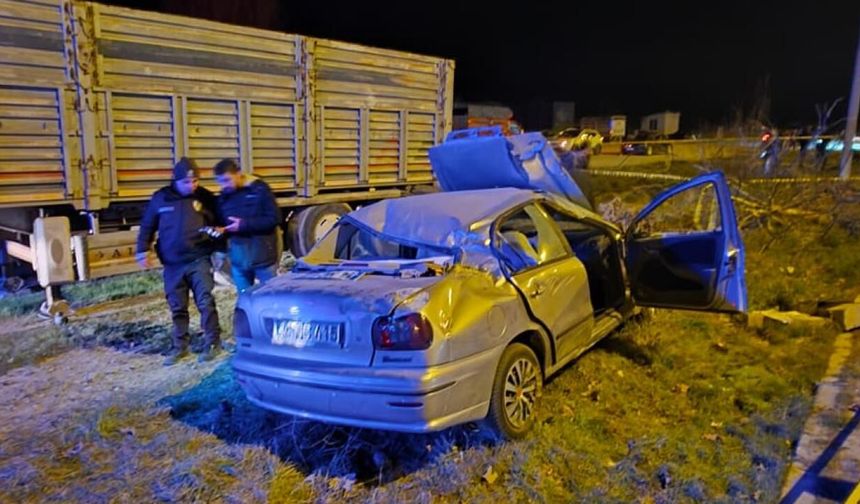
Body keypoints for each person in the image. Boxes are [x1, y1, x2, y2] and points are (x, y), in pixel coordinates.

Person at [136, 157, 223, 365]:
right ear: (175, 179)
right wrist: (142, 250)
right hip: (173, 264)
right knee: (177, 307)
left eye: (195, 181)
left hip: (198, 259)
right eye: (187, 182)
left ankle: (212, 342)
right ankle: (179, 346)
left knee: (205, 302)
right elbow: (147, 225)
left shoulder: (206, 198)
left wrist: (220, 251)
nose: (192, 186)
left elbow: (219, 226)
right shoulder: (161, 199)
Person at [213, 158, 281, 292]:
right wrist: (220, 230)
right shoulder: (224, 197)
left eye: (227, 180)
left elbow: (274, 219)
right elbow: (222, 222)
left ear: (238, 174)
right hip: (239, 262)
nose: (224, 185)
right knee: (245, 301)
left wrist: (244, 224)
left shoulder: (259, 189)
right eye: (220, 181)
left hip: (263, 260)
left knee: (271, 299)